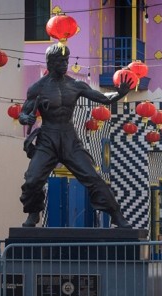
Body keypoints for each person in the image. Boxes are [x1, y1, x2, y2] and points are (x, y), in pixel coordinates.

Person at [18, 43, 133, 228]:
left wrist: (119, 94)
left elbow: (102, 98)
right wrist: (27, 117)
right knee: (32, 180)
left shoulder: (75, 85)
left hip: (69, 138)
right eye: (60, 61)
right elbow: (23, 115)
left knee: (93, 177)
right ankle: (33, 214)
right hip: (47, 138)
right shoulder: (37, 88)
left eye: (66, 60)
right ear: (50, 63)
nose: (64, 64)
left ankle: (116, 215)